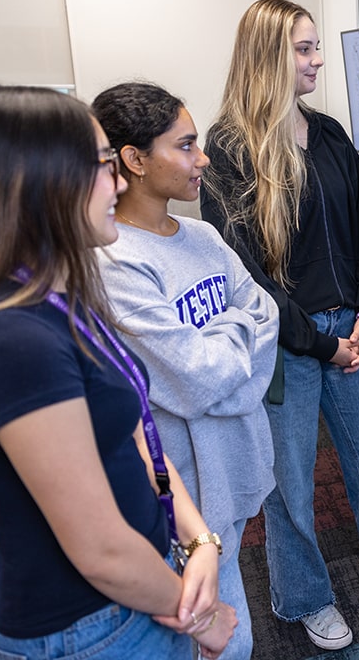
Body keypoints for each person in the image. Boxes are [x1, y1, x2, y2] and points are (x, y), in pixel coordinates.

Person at [0, 85, 237, 660]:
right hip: (87, 630)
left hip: (131, 602)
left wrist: (199, 538)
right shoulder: (8, 342)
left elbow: (136, 437)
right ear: (38, 184)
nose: (119, 183)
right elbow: (100, 550)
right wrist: (200, 616)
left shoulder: (59, 297)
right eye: (102, 166)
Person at [200, 0, 359, 651]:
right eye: (304, 49)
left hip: (353, 332)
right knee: (291, 490)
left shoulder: (332, 135)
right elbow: (247, 276)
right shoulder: (227, 150)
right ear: (267, 57)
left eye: (315, 48)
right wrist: (321, 344)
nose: (316, 61)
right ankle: (304, 598)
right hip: (286, 344)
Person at [92, 81, 278, 660]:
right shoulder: (114, 261)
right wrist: (233, 337)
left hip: (236, 457)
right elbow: (193, 380)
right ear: (135, 160)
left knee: (226, 601)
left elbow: (266, 319)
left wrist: (221, 350)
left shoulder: (204, 236)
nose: (202, 160)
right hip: (181, 488)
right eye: (186, 146)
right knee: (202, 625)